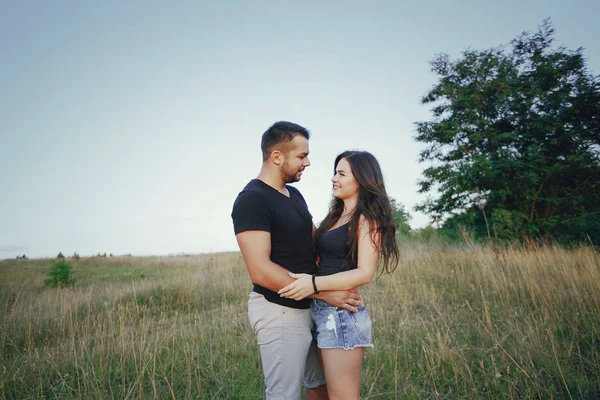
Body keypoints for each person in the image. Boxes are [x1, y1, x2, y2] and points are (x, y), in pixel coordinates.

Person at [231, 122, 363, 400]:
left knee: (320, 385)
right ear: (276, 157)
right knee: (284, 395)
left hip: (311, 307)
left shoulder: (295, 196)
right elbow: (260, 271)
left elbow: (314, 243)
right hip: (279, 311)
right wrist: (327, 292)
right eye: (301, 156)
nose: (309, 162)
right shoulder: (252, 200)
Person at [278, 150, 399, 400]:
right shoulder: (335, 217)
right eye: (335, 172)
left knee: (342, 396)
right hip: (320, 310)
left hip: (341, 316)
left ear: (362, 179)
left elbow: (365, 272)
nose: (334, 178)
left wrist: (313, 284)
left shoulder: (368, 219)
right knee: (319, 389)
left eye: (341, 174)